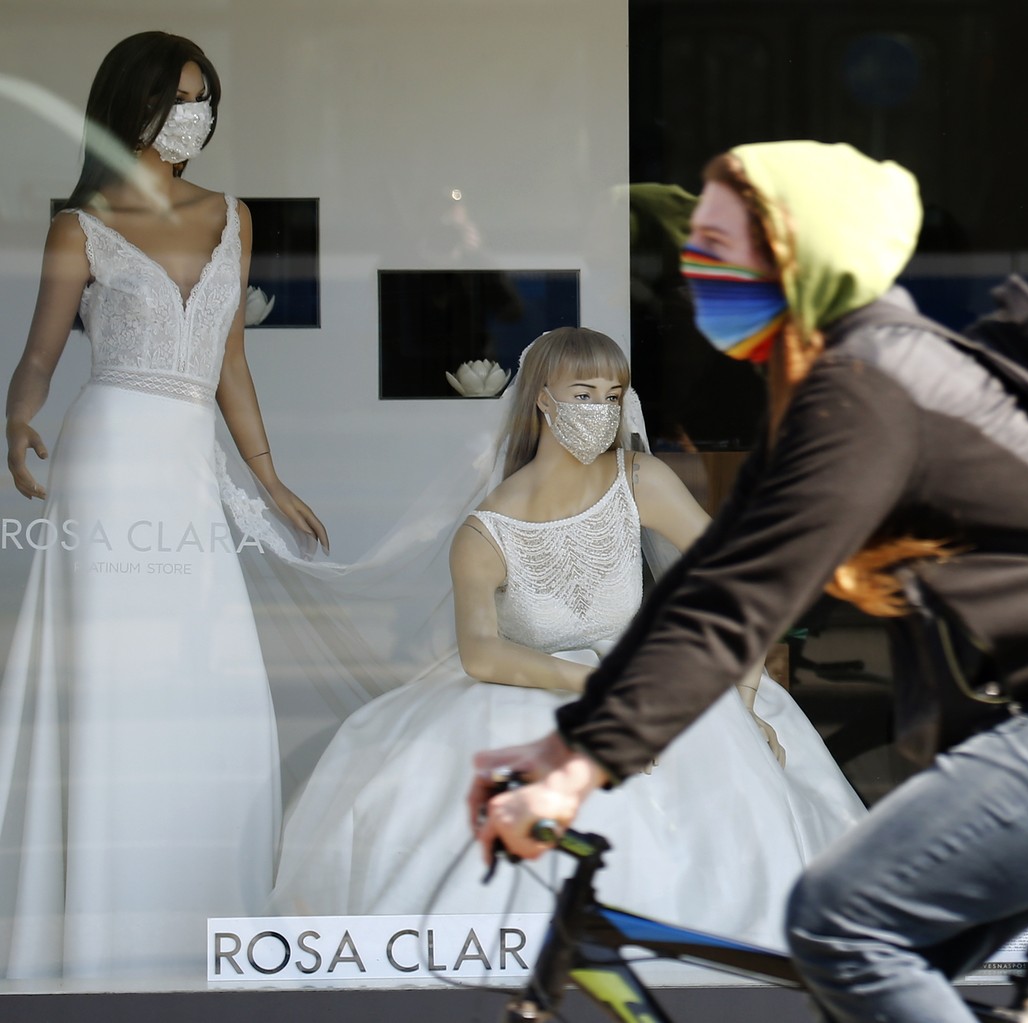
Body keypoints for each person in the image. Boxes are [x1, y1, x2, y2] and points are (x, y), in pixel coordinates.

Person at [468, 141, 1028, 1023]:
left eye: (722, 251)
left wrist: (576, 759)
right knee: (883, 966)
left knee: (837, 924)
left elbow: (737, 598)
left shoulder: (867, 384)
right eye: (695, 250)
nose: (694, 274)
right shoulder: (843, 376)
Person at [269, 327, 864, 948]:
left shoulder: (640, 480)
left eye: (614, 395)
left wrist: (744, 702)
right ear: (542, 400)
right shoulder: (485, 532)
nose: (602, 412)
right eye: (583, 394)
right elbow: (482, 653)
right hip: (537, 686)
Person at [0, 32, 328, 978]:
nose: (199, 113)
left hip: (188, 462)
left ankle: (197, 920)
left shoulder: (233, 216)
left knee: (206, 673)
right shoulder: (82, 223)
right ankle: (100, 930)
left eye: (207, 96)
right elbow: (39, 354)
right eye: (183, 95)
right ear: (134, 102)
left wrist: (267, 476)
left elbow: (230, 360)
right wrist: (19, 419)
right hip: (107, 459)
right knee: (113, 682)